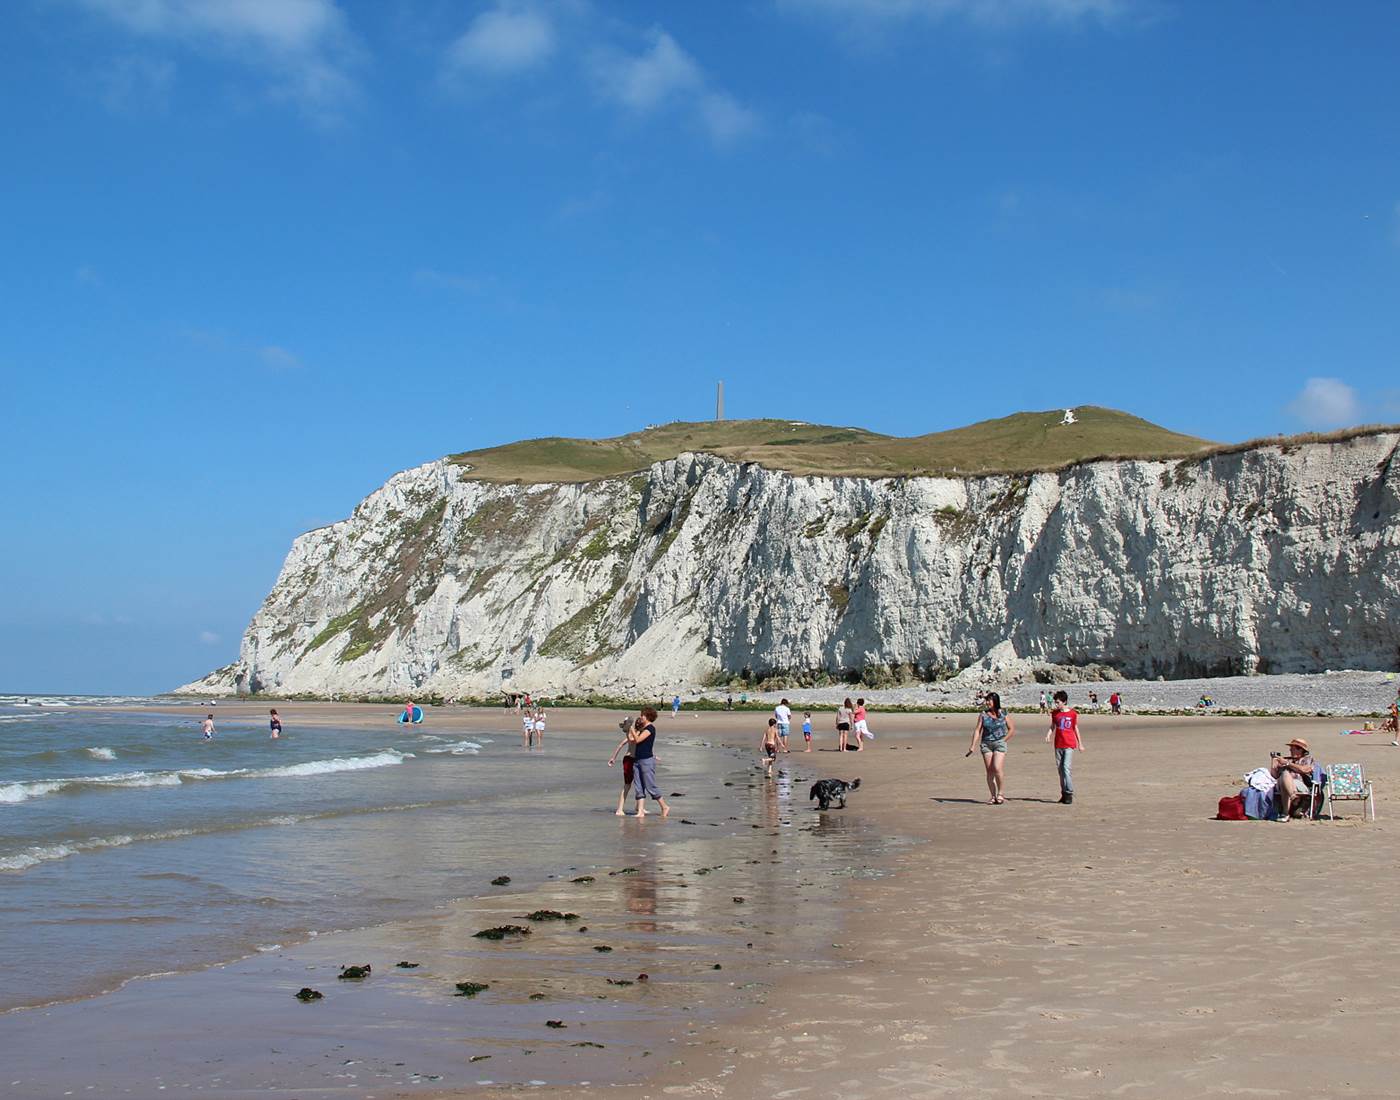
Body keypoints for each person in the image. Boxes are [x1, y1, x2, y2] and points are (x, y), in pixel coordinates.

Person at [966, 692, 1013, 803]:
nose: (987, 703)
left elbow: (1011, 729)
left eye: (989, 700)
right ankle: (993, 796)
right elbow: (978, 730)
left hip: (1000, 743)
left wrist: (1003, 740)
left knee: (997, 768)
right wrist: (972, 746)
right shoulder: (983, 714)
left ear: (995, 701)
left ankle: (1000, 793)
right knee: (990, 771)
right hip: (986, 744)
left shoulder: (1003, 713)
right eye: (987, 700)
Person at [628, 706, 669, 818]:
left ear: (646, 716)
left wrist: (631, 728)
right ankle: (640, 812)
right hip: (637, 760)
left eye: (642, 715)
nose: (640, 717)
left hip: (646, 761)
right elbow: (632, 740)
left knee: (650, 786)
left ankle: (664, 806)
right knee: (639, 786)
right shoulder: (642, 729)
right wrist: (627, 730)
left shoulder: (650, 729)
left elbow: (637, 740)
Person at [1045, 690, 1083, 804]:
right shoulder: (1055, 713)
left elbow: (1075, 728)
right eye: (1055, 702)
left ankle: (1069, 792)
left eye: (1058, 702)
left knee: (1066, 768)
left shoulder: (1072, 714)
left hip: (1069, 744)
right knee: (1060, 770)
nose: (1056, 704)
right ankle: (1064, 793)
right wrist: (1048, 734)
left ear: (1064, 701)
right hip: (1058, 744)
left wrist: (1080, 743)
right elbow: (1053, 726)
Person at [1270, 738, 1316, 820]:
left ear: (1300, 750)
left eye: (1292, 748)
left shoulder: (1308, 759)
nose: (1290, 750)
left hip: (1299, 785)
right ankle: (1293, 796)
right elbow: (1275, 776)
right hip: (1283, 784)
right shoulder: (1286, 759)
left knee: (1285, 776)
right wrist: (1274, 764)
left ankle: (1285, 813)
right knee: (1284, 776)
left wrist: (1288, 764)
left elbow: (1304, 770)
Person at [608, 719, 636, 816]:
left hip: (636, 760)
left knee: (640, 784)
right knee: (627, 784)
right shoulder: (630, 733)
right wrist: (613, 758)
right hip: (629, 759)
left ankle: (639, 807)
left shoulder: (634, 732)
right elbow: (631, 741)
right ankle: (619, 809)